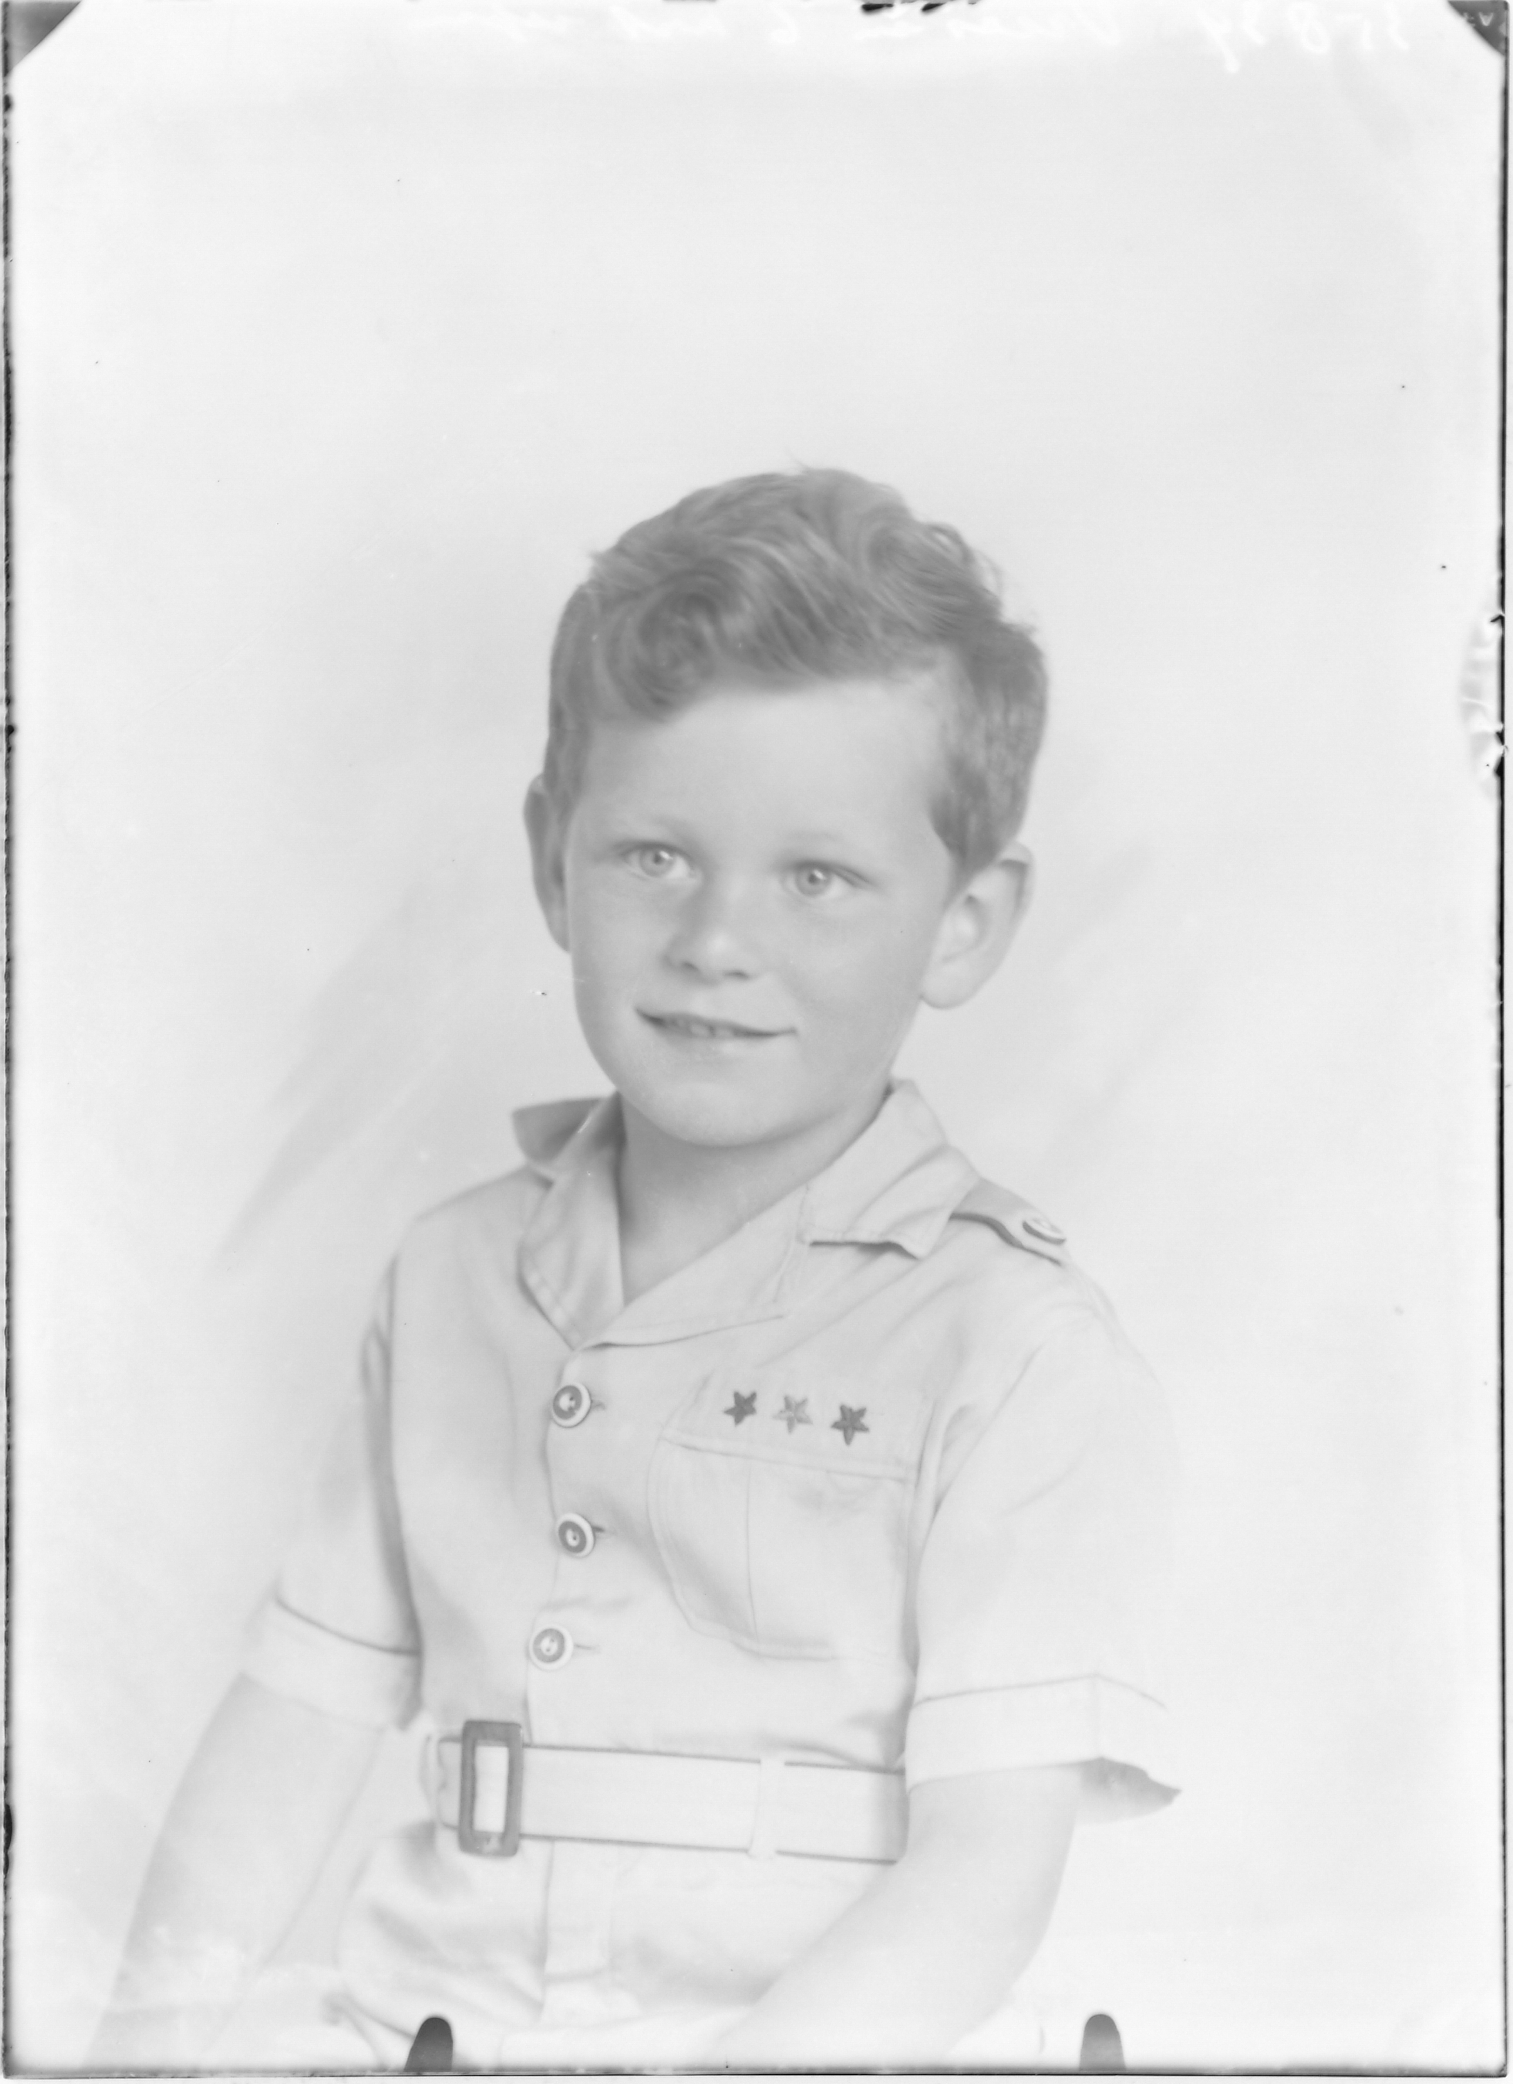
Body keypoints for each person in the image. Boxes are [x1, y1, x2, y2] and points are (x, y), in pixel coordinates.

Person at [88, 468, 1178, 2071]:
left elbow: (978, 1883)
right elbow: (300, 1711)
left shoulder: (1012, 1346)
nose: (716, 939)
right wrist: (136, 2047)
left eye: (816, 878)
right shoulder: (450, 1275)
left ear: (963, 922)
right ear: (552, 858)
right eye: (655, 856)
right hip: (438, 2027)